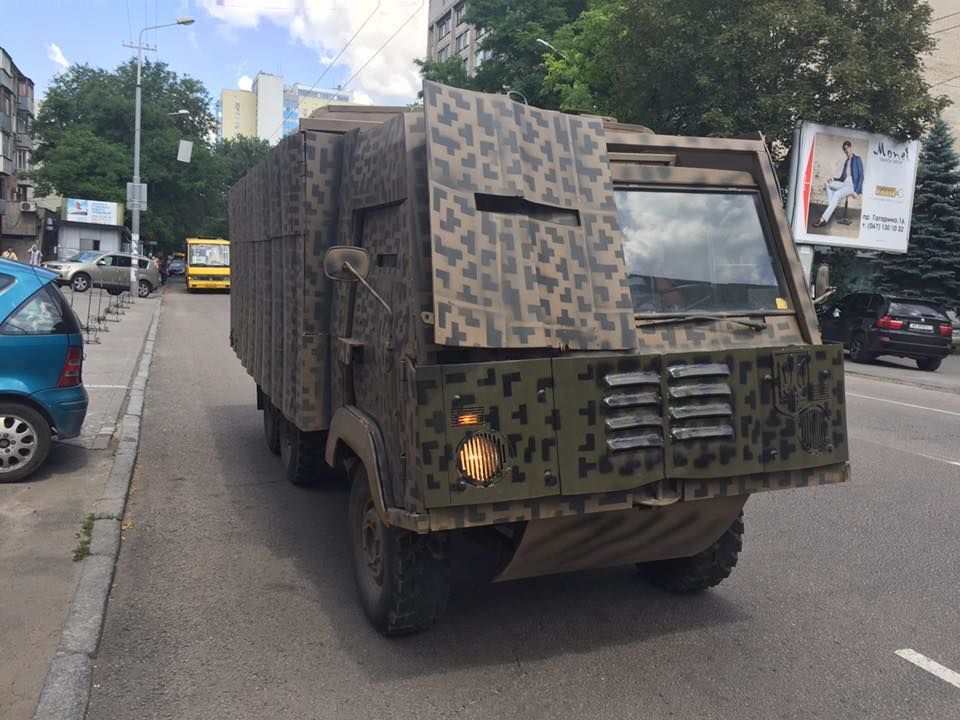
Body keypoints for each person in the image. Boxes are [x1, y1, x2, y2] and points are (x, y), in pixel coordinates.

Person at [813, 140, 863, 228]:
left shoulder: (857, 159)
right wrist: (833, 179)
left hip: (852, 186)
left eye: (847, 148)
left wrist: (857, 191)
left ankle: (823, 219)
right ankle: (832, 207)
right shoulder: (846, 162)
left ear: (851, 148)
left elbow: (861, 176)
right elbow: (842, 178)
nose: (846, 150)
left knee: (836, 194)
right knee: (828, 184)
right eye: (845, 149)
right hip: (844, 183)